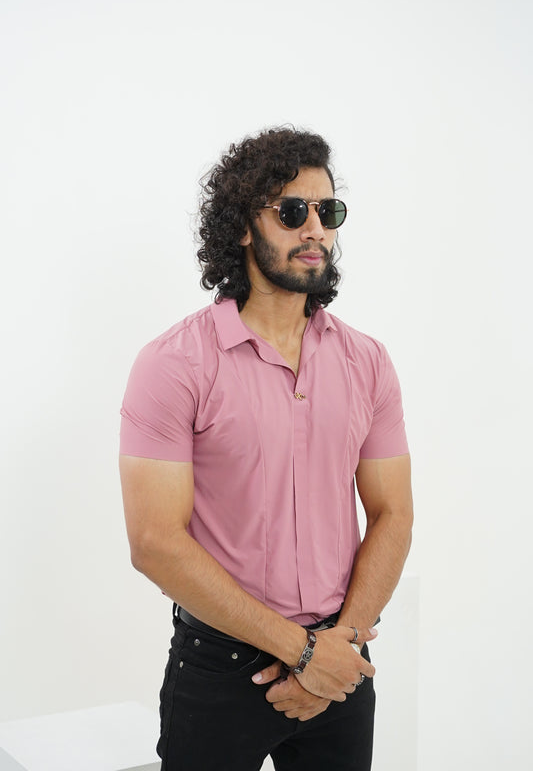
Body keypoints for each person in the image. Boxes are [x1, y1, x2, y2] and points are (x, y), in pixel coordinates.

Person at [119, 126, 413, 771]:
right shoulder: (174, 364)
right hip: (223, 668)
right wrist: (304, 654)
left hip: (342, 657)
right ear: (244, 226)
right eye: (292, 211)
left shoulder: (368, 361)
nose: (315, 229)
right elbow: (154, 542)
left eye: (328, 211)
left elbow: (392, 513)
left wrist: (337, 649)